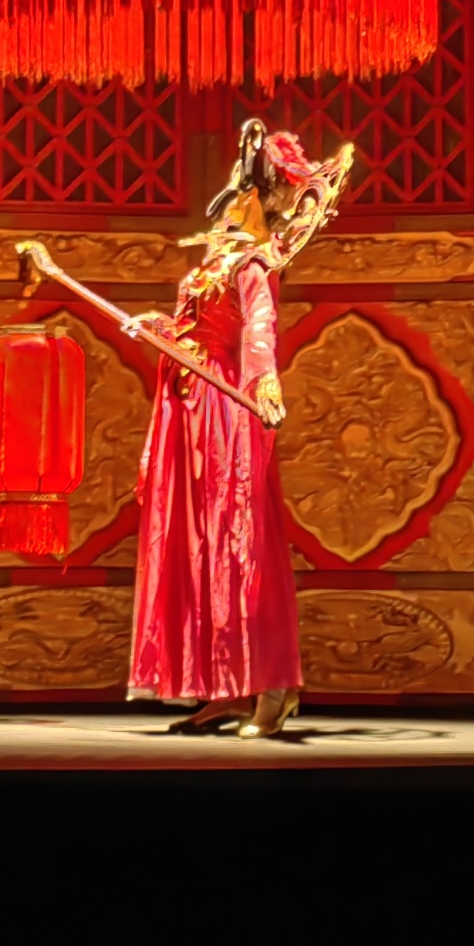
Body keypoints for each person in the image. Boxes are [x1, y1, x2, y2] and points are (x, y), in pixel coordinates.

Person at [125, 118, 353, 737]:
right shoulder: (211, 262)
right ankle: (225, 683)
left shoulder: (253, 263)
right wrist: (155, 327)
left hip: (226, 406)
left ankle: (272, 686)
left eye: (244, 191)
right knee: (196, 542)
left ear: (260, 200)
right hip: (188, 404)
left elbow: (257, 328)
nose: (231, 200)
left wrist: (265, 383)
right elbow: (190, 330)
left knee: (240, 541)